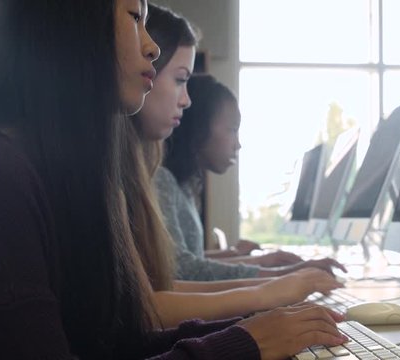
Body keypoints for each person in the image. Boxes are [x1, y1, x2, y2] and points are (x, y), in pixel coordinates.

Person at [0, 1, 348, 359]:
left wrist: (254, 328)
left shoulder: (47, 174)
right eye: (136, 16)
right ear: (72, 21)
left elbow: (112, 343)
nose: (151, 46)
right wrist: (247, 340)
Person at [128, 4, 343, 327]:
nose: (185, 101)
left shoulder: (152, 176)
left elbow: (159, 284)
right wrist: (270, 282)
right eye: (231, 129)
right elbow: (175, 275)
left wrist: (271, 281)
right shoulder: (153, 180)